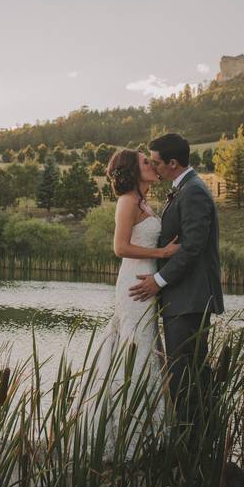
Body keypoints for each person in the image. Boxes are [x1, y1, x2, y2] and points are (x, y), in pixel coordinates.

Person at [74, 148, 180, 458]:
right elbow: (120, 247)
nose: (151, 164)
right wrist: (162, 254)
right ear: (133, 171)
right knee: (137, 348)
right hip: (135, 283)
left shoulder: (144, 202)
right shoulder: (127, 202)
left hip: (148, 280)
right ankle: (125, 438)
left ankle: (146, 433)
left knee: (146, 346)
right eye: (145, 162)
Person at [129, 133, 225, 433]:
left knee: (185, 376)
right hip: (183, 299)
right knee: (189, 373)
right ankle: (197, 441)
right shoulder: (184, 188)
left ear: (173, 163)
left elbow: (193, 246)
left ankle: (192, 444)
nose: (153, 167)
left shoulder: (193, 192)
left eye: (156, 162)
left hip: (189, 300)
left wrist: (158, 280)